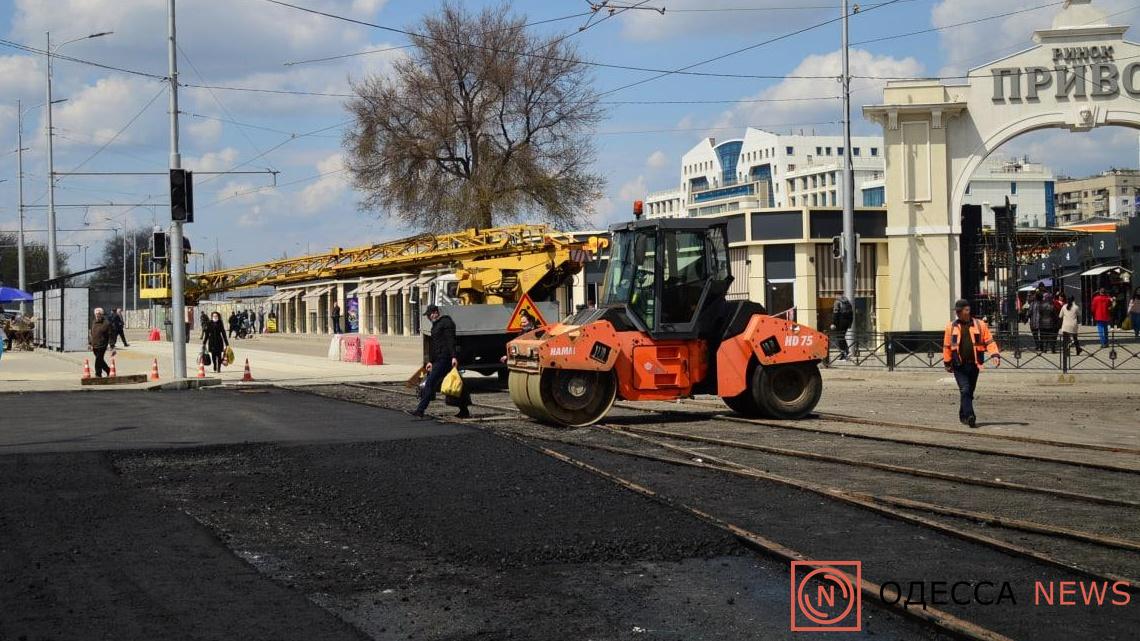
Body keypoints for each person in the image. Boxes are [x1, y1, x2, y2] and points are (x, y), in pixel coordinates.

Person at [942, 299, 1000, 428]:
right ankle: (970, 416)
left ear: (967, 310)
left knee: (969, 392)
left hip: (974, 364)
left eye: (959, 311)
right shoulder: (951, 327)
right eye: (956, 311)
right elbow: (947, 346)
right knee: (965, 389)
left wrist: (995, 354)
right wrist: (947, 362)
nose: (957, 314)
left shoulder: (980, 325)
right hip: (958, 365)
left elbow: (989, 341)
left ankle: (963, 414)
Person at [410, 304, 470, 419]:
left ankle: (420, 411)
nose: (429, 317)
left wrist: (454, 357)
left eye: (430, 315)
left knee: (430, 383)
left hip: (445, 358)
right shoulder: (436, 325)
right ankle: (464, 410)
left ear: (436, 313)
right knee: (457, 383)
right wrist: (431, 361)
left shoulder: (446, 323)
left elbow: (451, 340)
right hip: (439, 359)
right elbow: (435, 345)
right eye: (428, 315)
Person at [88, 308, 114, 378]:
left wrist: (112, 346)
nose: (97, 315)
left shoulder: (106, 323)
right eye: (96, 314)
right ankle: (108, 370)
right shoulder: (94, 322)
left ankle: (98, 374)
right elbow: (92, 333)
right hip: (94, 345)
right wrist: (90, 343)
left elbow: (110, 335)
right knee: (100, 360)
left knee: (98, 360)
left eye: (99, 314)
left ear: (102, 315)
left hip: (102, 345)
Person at [830, 295, 854, 360]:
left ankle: (845, 353)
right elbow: (851, 314)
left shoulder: (837, 302)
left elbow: (835, 313)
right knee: (842, 337)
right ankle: (845, 353)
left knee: (840, 338)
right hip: (846, 323)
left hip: (840, 322)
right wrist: (850, 324)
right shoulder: (848, 302)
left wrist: (833, 323)